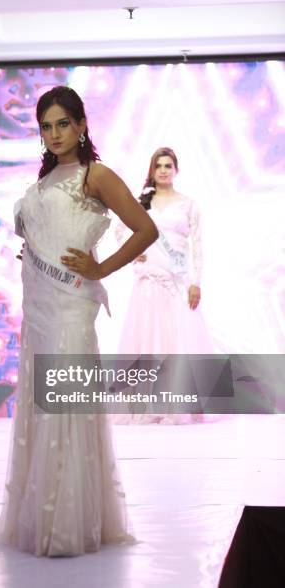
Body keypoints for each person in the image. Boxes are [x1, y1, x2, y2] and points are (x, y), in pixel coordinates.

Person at [0, 86, 158, 556]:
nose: (54, 134)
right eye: (46, 126)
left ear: (83, 125)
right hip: (38, 307)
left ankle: (66, 524)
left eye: (63, 123)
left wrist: (101, 269)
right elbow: (44, 234)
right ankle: (43, 515)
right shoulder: (45, 180)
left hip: (70, 309)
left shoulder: (96, 175)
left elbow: (146, 229)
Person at [117, 147, 214, 424]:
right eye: (158, 165)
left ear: (176, 170)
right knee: (148, 340)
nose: (163, 170)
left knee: (179, 340)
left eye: (168, 165)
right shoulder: (142, 203)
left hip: (178, 282)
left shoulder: (188, 204)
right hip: (148, 280)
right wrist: (133, 251)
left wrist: (196, 283)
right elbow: (121, 230)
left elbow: (198, 246)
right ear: (152, 170)